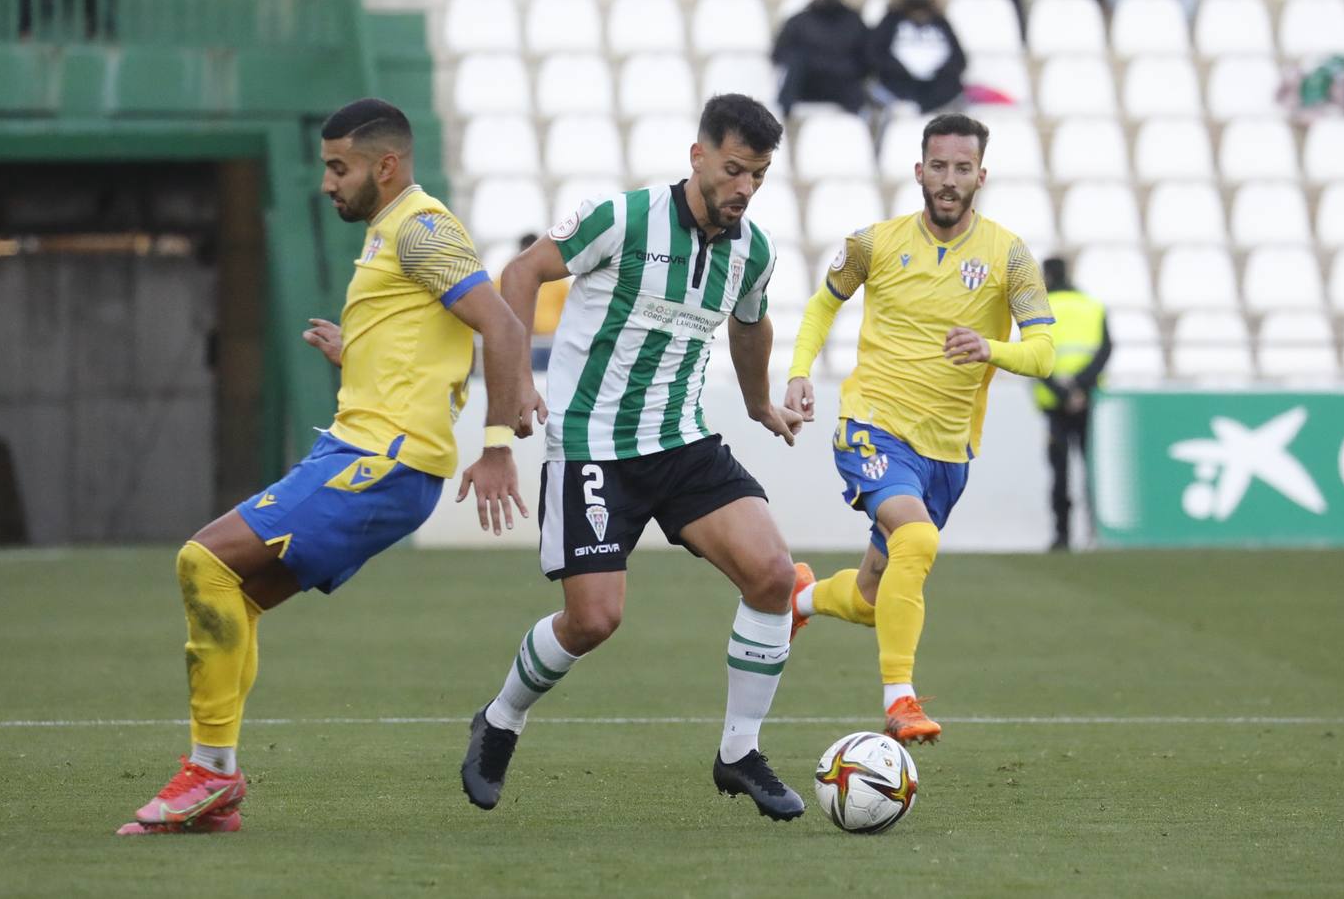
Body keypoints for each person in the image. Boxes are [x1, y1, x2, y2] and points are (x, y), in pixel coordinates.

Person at [117, 98, 536, 836]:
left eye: (338, 168)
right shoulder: (389, 234)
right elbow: (437, 342)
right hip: (363, 451)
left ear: (386, 165)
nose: (326, 183)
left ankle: (208, 773)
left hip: (383, 461)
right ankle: (214, 787)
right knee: (234, 596)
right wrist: (360, 353)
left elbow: (498, 323)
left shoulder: (422, 228)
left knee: (201, 562)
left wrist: (497, 444)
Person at [459, 94, 813, 822]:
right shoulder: (620, 218)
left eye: (758, 176)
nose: (744, 188)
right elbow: (520, 275)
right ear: (698, 156)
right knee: (592, 621)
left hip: (681, 442)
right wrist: (520, 375)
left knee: (774, 576)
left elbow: (751, 322)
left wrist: (756, 404)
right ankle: (499, 719)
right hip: (592, 445)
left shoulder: (754, 249)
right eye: (734, 170)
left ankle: (739, 752)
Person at [782, 113, 1055, 746]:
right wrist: (799, 371)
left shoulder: (1009, 256)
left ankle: (799, 599)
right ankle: (900, 698)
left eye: (963, 168)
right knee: (919, 540)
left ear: (981, 175)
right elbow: (824, 304)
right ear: (918, 170)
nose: (949, 180)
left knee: (873, 597)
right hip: (872, 426)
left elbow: (1043, 353)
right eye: (939, 166)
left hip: (948, 452)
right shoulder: (873, 243)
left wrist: (991, 349)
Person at [1034, 257, 1111, 552]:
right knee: (1092, 467)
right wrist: (1081, 387)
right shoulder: (1092, 306)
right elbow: (1105, 350)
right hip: (1087, 400)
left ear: (1048, 277)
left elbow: (1034, 354)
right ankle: (1095, 532)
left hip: (1055, 404)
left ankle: (1062, 535)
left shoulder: (1040, 308)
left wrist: (1063, 393)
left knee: (1060, 471)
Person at [771, 0, 876, 119]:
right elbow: (779, 54)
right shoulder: (799, 22)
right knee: (796, 65)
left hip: (844, 88)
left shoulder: (854, 22)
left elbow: (867, 62)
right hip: (806, 88)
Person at [867, 0, 967, 115]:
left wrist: (939, 73)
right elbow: (875, 54)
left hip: (936, 91)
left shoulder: (941, 22)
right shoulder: (891, 20)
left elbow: (959, 60)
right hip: (897, 87)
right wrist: (900, 71)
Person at [495, 233, 571, 371]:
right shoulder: (505, 277)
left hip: (549, 343)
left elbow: (569, 311)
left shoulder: (558, 280)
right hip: (520, 342)